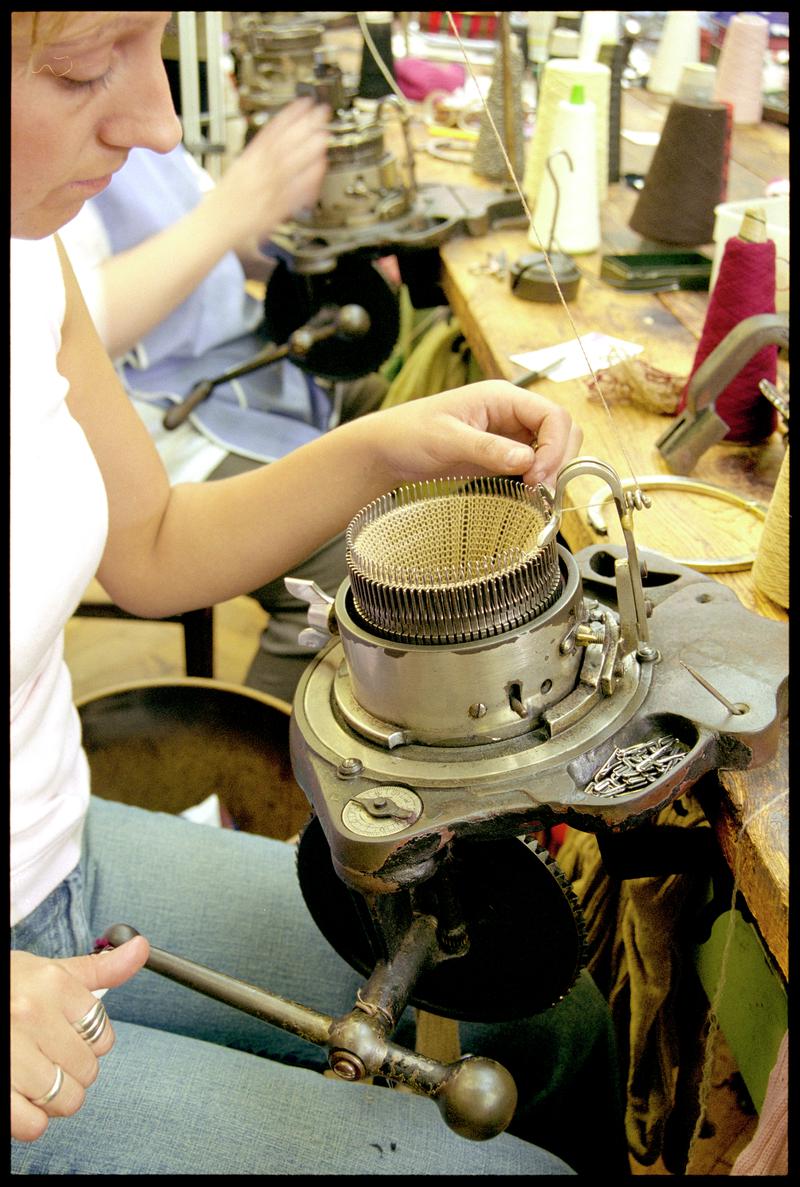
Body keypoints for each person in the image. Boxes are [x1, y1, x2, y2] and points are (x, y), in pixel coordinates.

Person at [11, 11, 626, 1176]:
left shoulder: (26, 251)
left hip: (56, 862)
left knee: (549, 1013)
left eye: (149, 47)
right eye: (85, 67)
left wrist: (387, 448)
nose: (154, 123)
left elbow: (149, 544)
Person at [58, 99, 389, 705]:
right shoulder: (41, 163)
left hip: (233, 363)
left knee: (382, 401)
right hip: (143, 416)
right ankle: (264, 782)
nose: (163, 116)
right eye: (91, 61)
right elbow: (72, 325)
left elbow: (229, 240)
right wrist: (231, 210)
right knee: (350, 565)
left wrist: (313, 239)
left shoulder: (133, 115)